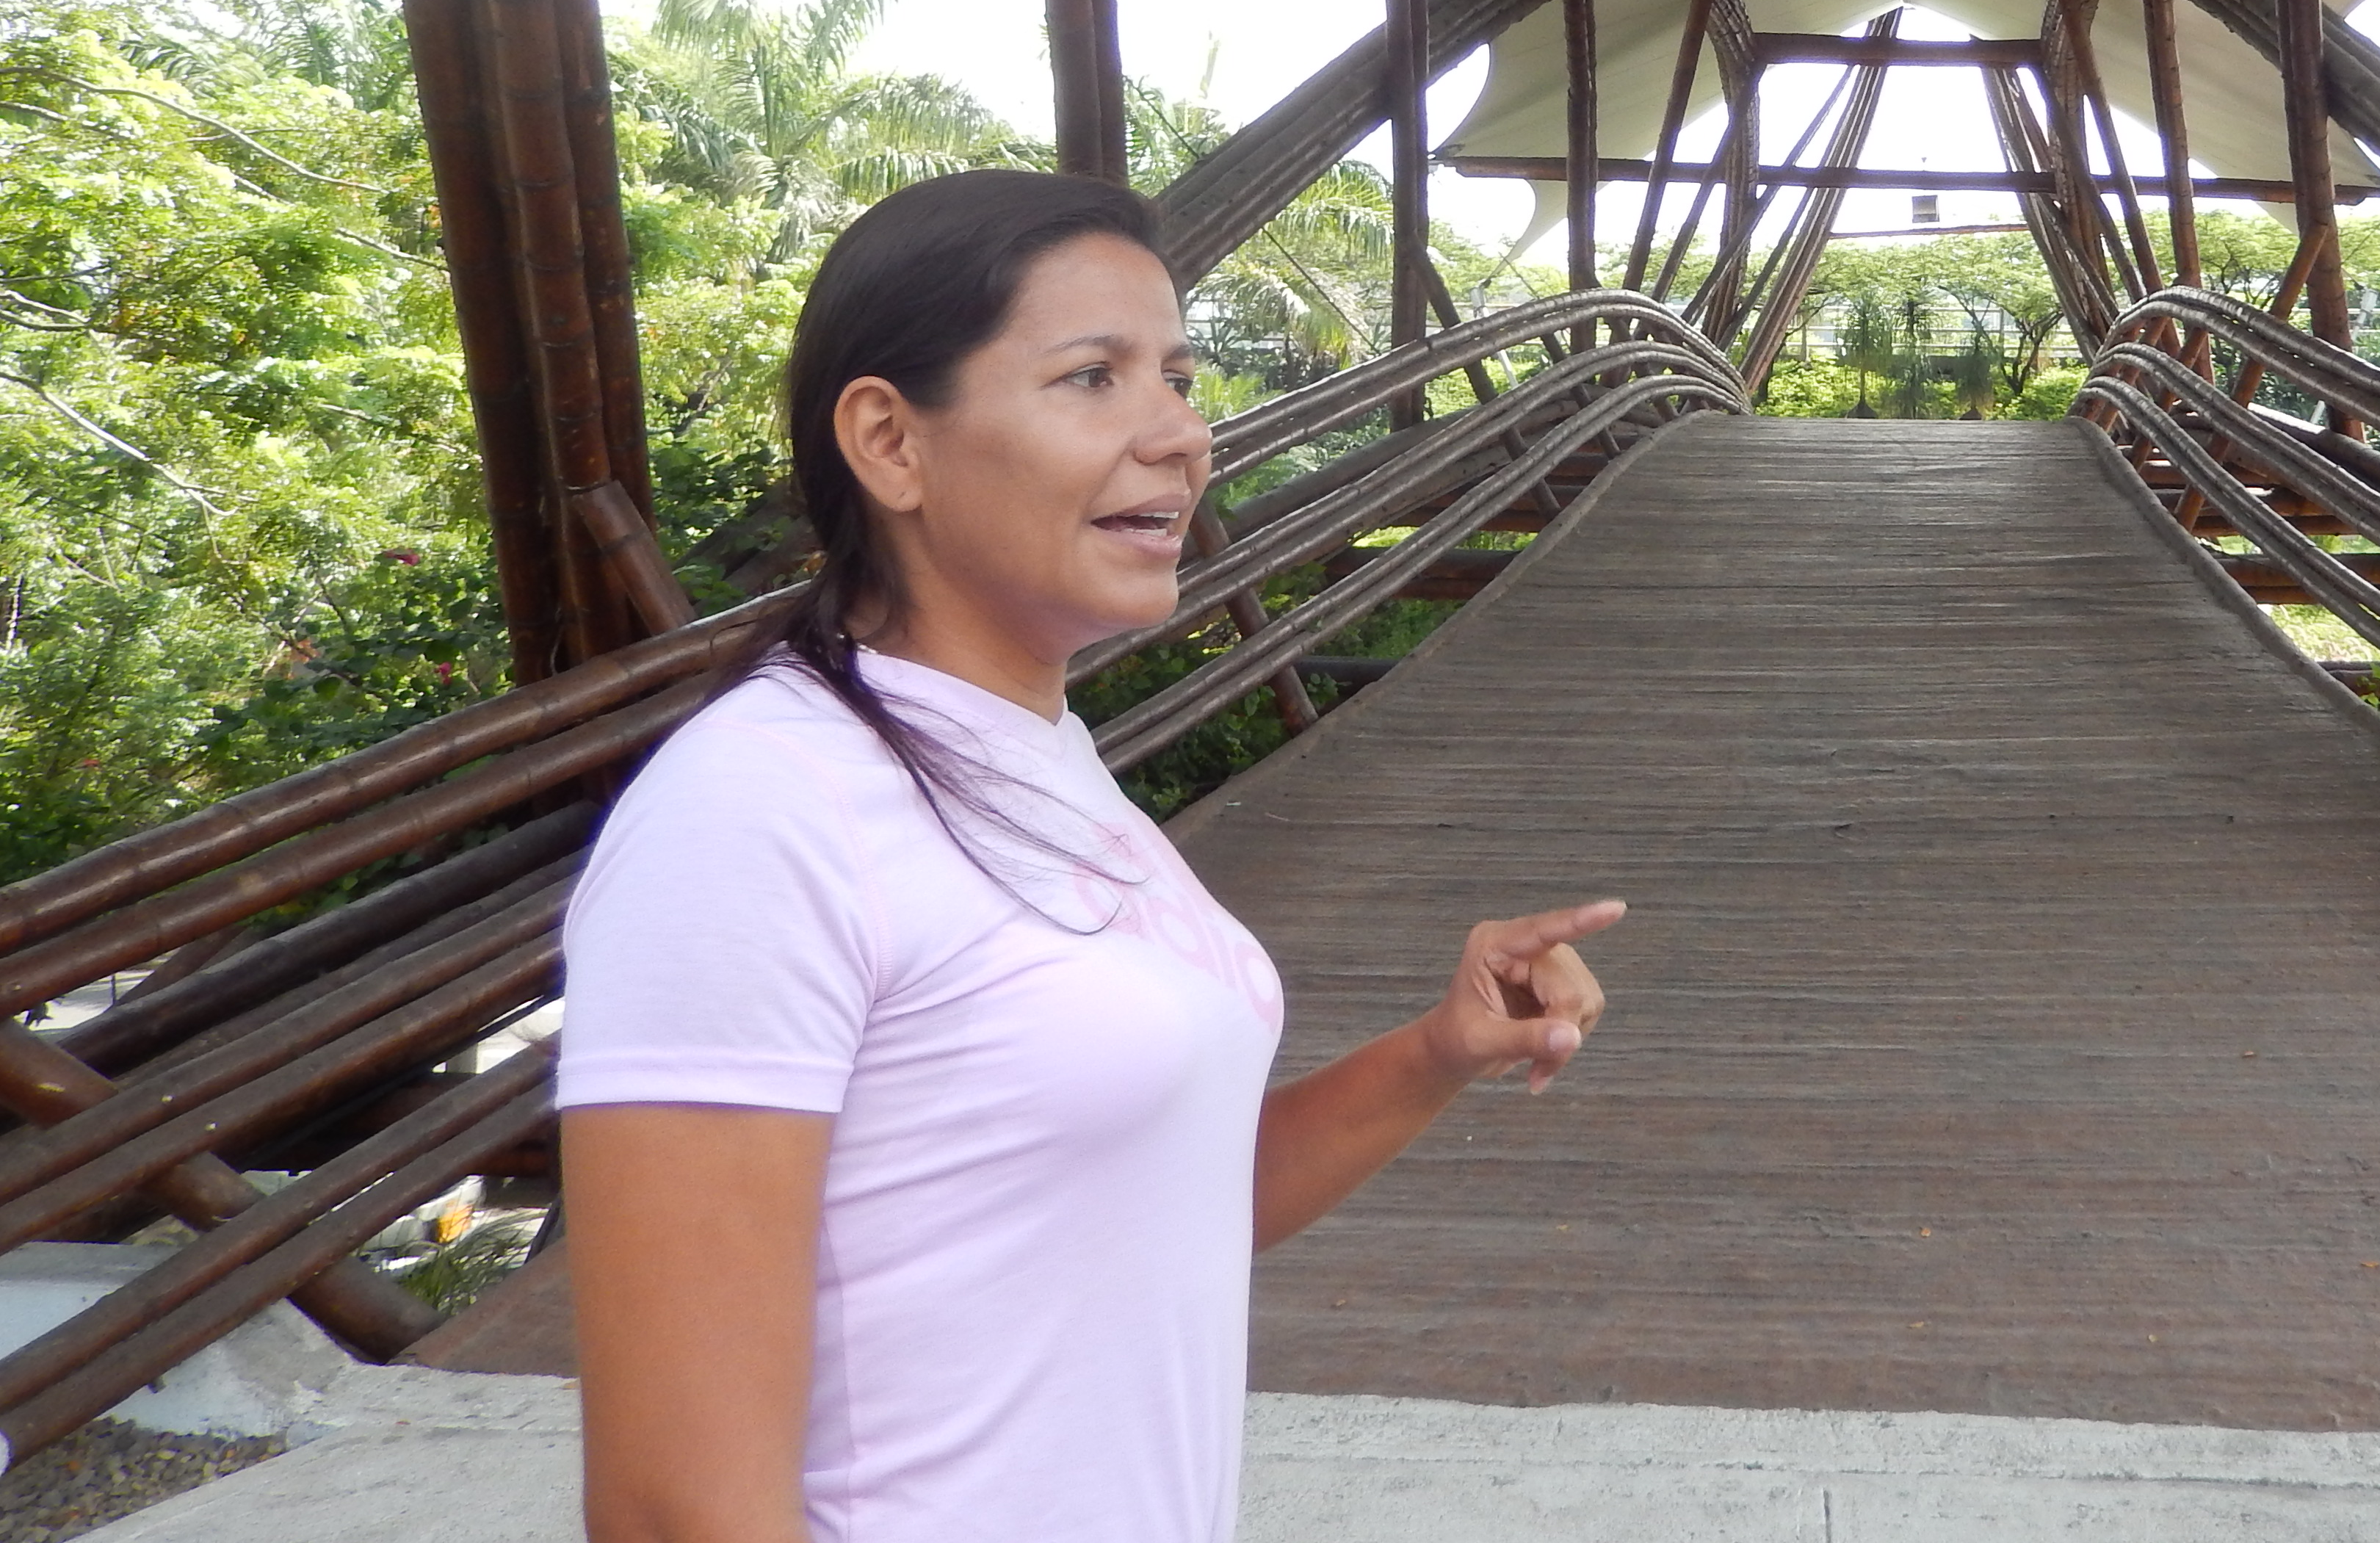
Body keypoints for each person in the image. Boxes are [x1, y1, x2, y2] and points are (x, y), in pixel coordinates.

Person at [557, 170, 1616, 1543]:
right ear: (890, 441)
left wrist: (1434, 1053)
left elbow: (1152, 1211)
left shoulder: (1034, 752)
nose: (1182, 434)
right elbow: (670, 1509)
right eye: (1092, 379)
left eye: (1177, 375)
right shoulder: (760, 813)